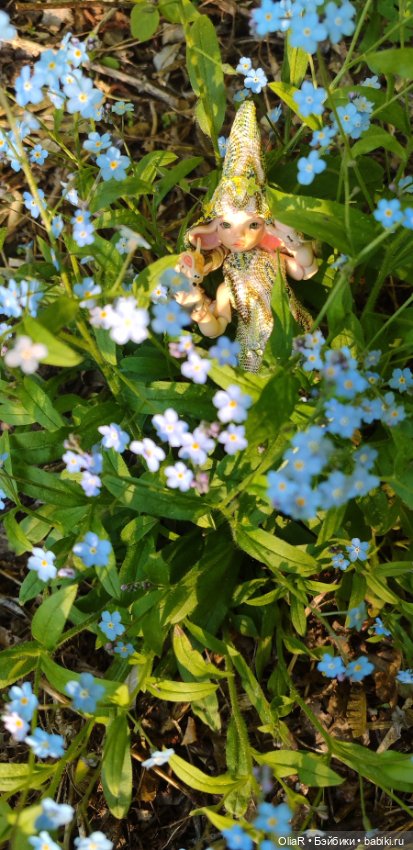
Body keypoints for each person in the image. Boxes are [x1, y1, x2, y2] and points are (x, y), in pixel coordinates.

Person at [175, 100, 317, 372]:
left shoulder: (273, 257)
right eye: (226, 225)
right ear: (212, 232)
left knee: (310, 372)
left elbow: (306, 269)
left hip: (295, 327)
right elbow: (216, 329)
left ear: (266, 227)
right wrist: (203, 315)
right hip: (254, 349)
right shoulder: (226, 283)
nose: (238, 235)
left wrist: (294, 242)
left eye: (252, 225)